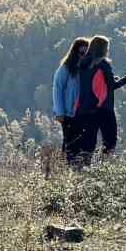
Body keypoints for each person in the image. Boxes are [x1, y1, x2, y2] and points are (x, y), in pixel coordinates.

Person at [74, 35, 126, 164]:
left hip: (85, 109)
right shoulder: (103, 63)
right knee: (110, 142)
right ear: (102, 49)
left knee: (88, 145)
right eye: (107, 48)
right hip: (103, 108)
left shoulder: (82, 64)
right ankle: (104, 170)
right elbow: (111, 86)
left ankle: (83, 171)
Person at [51, 38, 89, 166]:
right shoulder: (66, 68)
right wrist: (60, 112)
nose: (83, 56)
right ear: (75, 52)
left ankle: (77, 169)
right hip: (68, 113)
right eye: (81, 53)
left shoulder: (86, 69)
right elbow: (57, 89)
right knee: (69, 143)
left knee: (81, 144)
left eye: (86, 53)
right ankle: (66, 169)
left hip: (82, 113)